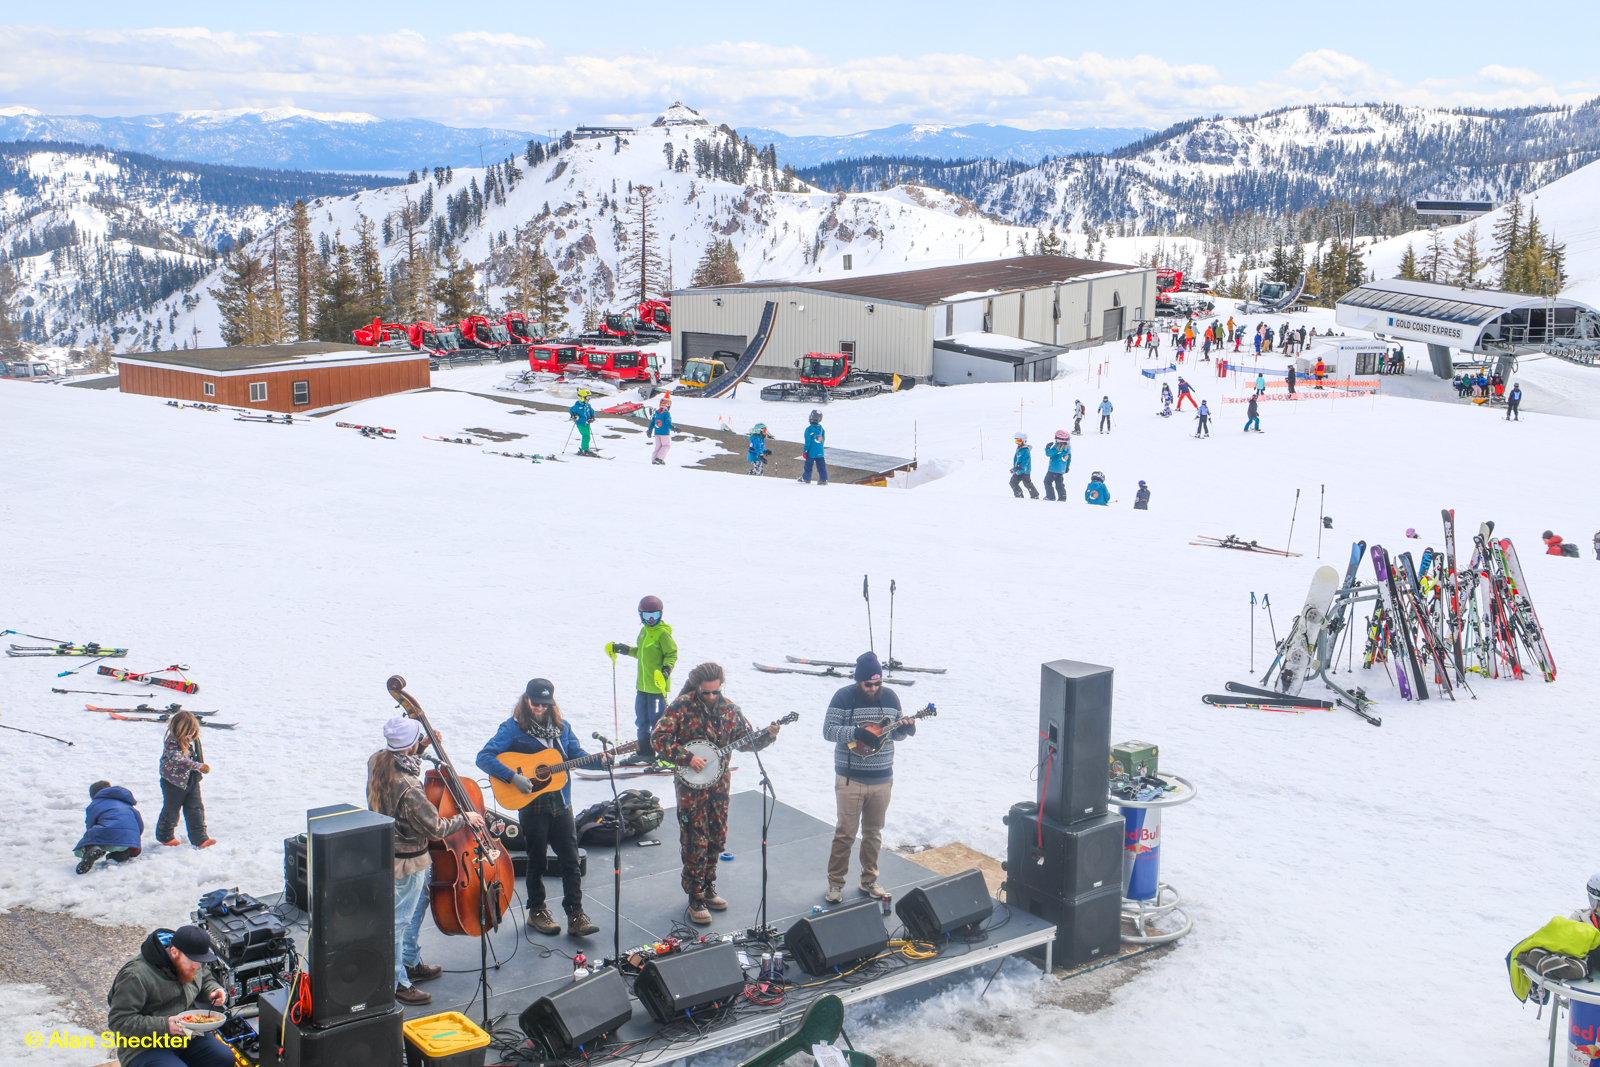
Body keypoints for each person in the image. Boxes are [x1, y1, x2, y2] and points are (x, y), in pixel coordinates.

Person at [651, 663, 780, 924]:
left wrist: (767, 736)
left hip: (720, 785)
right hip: (691, 788)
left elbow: (746, 741)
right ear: (697, 688)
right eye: (706, 692)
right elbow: (659, 737)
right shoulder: (682, 706)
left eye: (715, 692)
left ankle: (709, 886)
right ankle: (695, 895)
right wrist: (686, 757)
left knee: (716, 838)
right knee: (694, 839)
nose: (711, 697)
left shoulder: (730, 710)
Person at [368, 715, 484, 1006]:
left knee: (415, 911)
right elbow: (436, 828)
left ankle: (410, 961)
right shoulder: (409, 787)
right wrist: (465, 818)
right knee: (400, 920)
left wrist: (423, 745)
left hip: (394, 854)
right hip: (409, 863)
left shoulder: (379, 761)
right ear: (410, 746)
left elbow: (404, 755)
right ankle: (397, 982)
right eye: (419, 740)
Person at [475, 679, 604, 939]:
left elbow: (574, 754)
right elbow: (484, 757)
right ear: (526, 700)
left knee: (571, 861)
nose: (539, 708)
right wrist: (513, 777)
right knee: (537, 861)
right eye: (535, 703)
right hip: (533, 807)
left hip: (561, 805)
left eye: (545, 704)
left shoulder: (562, 727)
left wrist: (599, 762)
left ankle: (575, 915)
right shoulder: (511, 729)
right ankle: (537, 911)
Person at [822, 652, 913, 903]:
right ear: (858, 680)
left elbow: (894, 735)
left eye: (877, 683)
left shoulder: (891, 697)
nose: (873, 688)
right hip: (850, 778)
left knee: (873, 833)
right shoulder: (843, 697)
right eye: (868, 684)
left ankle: (869, 880)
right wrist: (856, 733)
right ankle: (835, 883)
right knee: (845, 834)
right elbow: (828, 731)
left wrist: (905, 730)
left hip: (882, 778)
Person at [106, 925, 232, 1067]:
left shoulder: (192, 960)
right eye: (193, 961)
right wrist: (165, 1026)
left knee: (224, 1058)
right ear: (174, 952)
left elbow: (205, 979)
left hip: (185, 1034)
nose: (196, 966)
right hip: (144, 1045)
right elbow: (119, 1020)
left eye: (200, 961)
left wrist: (213, 991)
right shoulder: (135, 975)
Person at [610, 594, 678, 764]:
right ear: (641, 616)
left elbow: (671, 654)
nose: (651, 619)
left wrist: (666, 670)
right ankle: (646, 753)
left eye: (655, 615)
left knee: (657, 722)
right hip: (642, 687)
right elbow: (641, 653)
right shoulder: (644, 632)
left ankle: (665, 756)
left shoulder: (662, 634)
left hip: (656, 688)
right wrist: (624, 650)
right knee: (642, 721)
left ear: (661, 614)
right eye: (647, 616)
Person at [156, 712, 212, 849]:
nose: (191, 736)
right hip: (173, 782)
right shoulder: (171, 742)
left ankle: (200, 838)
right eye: (188, 733)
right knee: (172, 809)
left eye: (193, 732)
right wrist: (196, 766)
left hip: (190, 780)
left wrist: (199, 768)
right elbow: (177, 758)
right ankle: (165, 835)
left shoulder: (192, 741)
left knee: (196, 808)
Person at [75, 780, 143, 873]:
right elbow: (139, 824)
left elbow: (90, 825)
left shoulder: (95, 804)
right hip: (127, 841)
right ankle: (118, 856)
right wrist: (133, 839)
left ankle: (91, 849)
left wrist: (91, 841)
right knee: (124, 848)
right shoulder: (127, 804)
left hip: (106, 834)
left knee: (80, 849)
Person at [800, 409, 827, 485]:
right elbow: (823, 439)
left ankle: (807, 478)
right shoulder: (821, 429)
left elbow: (807, 442)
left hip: (811, 453)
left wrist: (805, 451)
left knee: (808, 466)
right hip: (820, 452)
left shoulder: (808, 430)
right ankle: (824, 479)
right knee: (821, 466)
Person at [1009, 432, 1038, 499]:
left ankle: (1035, 495)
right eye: (1016, 441)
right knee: (1013, 482)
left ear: (1024, 440)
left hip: (1024, 471)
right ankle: (1019, 494)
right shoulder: (1019, 448)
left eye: (1019, 440)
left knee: (1027, 484)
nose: (1017, 442)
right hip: (1018, 471)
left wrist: (1019, 467)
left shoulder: (1026, 450)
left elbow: (1026, 461)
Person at [1043, 431, 1071, 501]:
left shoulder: (1057, 447)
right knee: (1059, 483)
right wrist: (1067, 467)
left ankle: (1050, 496)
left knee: (1047, 482)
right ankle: (1062, 497)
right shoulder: (1067, 448)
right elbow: (1069, 458)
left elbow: (1049, 454)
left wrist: (1047, 448)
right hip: (1061, 469)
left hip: (1054, 469)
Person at [569, 389, 596, 456]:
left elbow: (592, 412)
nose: (589, 399)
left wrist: (592, 417)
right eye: (587, 398)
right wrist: (574, 416)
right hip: (580, 424)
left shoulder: (588, 405)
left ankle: (584, 448)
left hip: (587, 423)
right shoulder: (577, 406)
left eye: (589, 397)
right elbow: (571, 411)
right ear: (582, 398)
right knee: (586, 435)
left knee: (588, 436)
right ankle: (585, 450)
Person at [648, 397, 673, 465]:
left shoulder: (656, 413)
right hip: (664, 432)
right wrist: (673, 428)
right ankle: (659, 459)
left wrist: (649, 430)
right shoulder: (666, 413)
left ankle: (654, 459)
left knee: (658, 446)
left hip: (657, 432)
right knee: (666, 445)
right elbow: (668, 423)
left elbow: (652, 422)